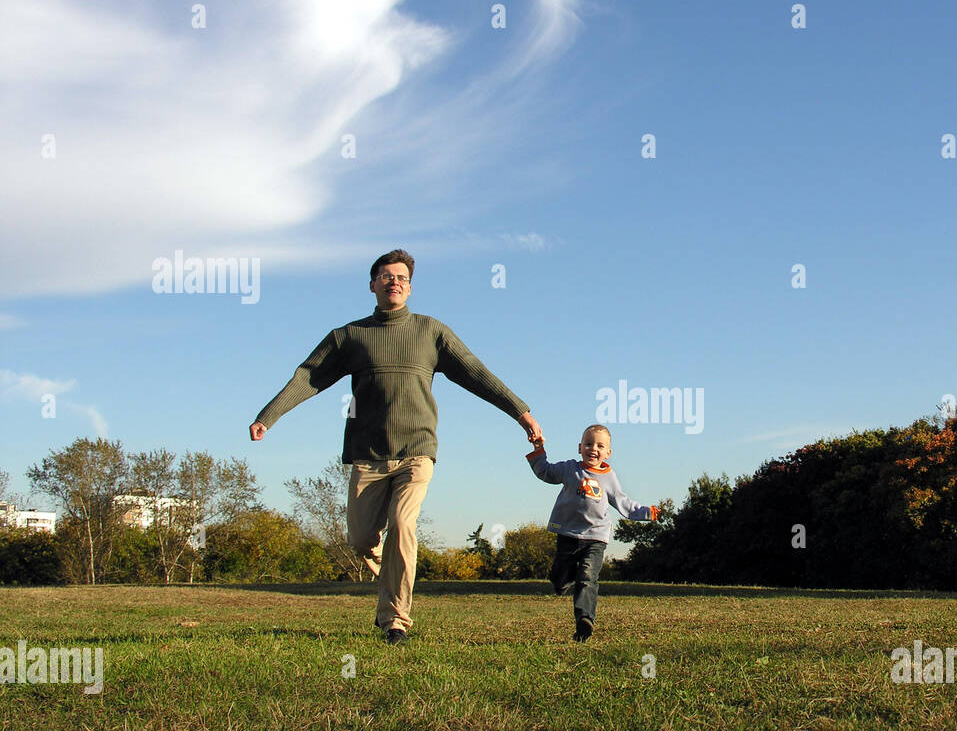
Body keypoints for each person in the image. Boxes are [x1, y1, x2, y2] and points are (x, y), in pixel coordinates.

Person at [249, 249, 543, 644]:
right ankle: (389, 579)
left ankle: (395, 620)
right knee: (361, 540)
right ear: (373, 285)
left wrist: (520, 412)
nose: (394, 282)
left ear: (410, 286)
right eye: (386, 276)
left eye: (401, 277)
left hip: (417, 452)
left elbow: (476, 373)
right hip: (368, 457)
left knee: (403, 525)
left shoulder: (431, 332)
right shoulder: (350, 336)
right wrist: (269, 415)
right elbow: (309, 376)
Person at [526, 425, 657, 641]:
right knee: (559, 579)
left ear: (608, 453)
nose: (593, 449)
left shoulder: (609, 477)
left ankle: (585, 620)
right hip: (568, 534)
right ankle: (562, 582)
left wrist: (647, 512)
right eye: (588, 444)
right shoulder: (570, 469)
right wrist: (538, 448)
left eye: (600, 445)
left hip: (595, 538)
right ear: (579, 448)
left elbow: (622, 502)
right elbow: (546, 472)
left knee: (587, 578)